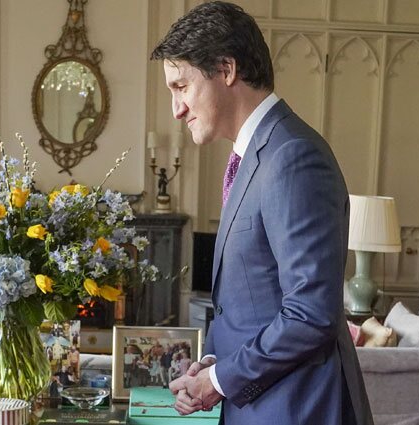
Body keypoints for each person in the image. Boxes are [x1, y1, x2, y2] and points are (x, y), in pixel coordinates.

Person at [151, 2, 373, 424]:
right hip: (262, 404)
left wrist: (218, 381)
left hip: (295, 409)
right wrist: (212, 363)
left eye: (181, 86)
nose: (176, 109)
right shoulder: (255, 154)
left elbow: (310, 314)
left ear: (227, 69)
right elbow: (252, 301)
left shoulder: (292, 156)